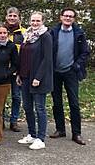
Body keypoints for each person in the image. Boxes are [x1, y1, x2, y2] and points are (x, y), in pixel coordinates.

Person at [49, 8, 90, 145]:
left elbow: (85, 52)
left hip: (71, 72)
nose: (68, 18)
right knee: (57, 102)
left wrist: (76, 65)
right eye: (66, 16)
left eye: (71, 16)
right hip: (55, 72)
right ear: (61, 17)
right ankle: (60, 129)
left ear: (74, 19)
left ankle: (76, 133)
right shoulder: (53, 32)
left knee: (74, 103)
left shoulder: (79, 33)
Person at [16, 12, 53, 150]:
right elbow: (22, 56)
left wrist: (38, 77)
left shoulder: (45, 36)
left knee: (40, 108)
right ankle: (31, 134)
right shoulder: (27, 35)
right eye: (33, 20)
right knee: (27, 107)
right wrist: (19, 74)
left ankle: (41, 138)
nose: (35, 23)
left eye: (38, 20)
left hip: (38, 79)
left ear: (42, 21)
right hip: (25, 77)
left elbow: (47, 59)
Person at [4, 7, 26, 132]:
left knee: (16, 97)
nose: (12, 18)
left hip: (18, 70)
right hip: (3, 70)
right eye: (10, 15)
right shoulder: (1, 30)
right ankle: (0, 119)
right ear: (6, 17)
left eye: (14, 16)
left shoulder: (24, 33)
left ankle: (14, 121)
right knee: (1, 96)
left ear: (18, 18)